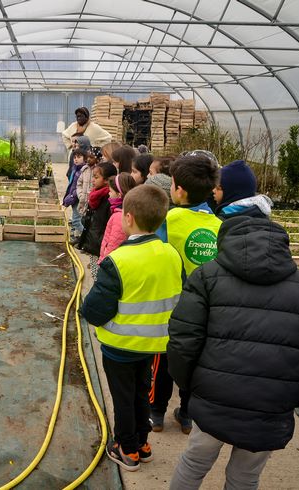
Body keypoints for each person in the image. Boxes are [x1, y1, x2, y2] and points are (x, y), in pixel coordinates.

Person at [168, 215, 299, 489]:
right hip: (270, 407)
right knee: (245, 477)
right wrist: (289, 397)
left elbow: (182, 341)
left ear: (225, 242)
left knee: (193, 464)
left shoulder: (206, 276)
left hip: (214, 397)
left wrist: (191, 386)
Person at [80, 185, 183, 472]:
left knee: (123, 398)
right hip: (154, 345)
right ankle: (142, 443)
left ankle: (126, 448)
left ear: (128, 218)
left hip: (120, 348)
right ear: (161, 220)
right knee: (141, 393)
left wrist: (84, 310)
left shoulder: (118, 261)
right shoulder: (171, 255)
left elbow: (95, 309)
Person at [150, 152, 221, 435]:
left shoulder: (168, 220)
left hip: (172, 310)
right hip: (206, 310)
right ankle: (188, 414)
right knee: (195, 363)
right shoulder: (219, 225)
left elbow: (157, 258)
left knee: (165, 359)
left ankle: (156, 414)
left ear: (178, 189)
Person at [78, 161, 117, 259]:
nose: (92, 180)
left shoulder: (110, 201)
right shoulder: (95, 195)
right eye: (93, 177)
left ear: (107, 180)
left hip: (99, 248)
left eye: (96, 177)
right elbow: (90, 221)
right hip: (91, 244)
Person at [98, 173, 137, 263]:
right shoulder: (129, 210)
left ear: (119, 194)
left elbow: (113, 243)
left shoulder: (119, 217)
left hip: (110, 263)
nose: (108, 194)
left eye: (111, 191)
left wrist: (103, 262)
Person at [63, 149, 87, 242]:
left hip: (78, 199)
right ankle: (78, 237)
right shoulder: (75, 169)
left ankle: (86, 238)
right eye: (75, 157)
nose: (76, 159)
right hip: (74, 198)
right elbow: (71, 186)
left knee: (76, 221)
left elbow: (77, 189)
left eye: (79, 157)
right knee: (76, 219)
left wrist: (69, 198)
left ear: (84, 158)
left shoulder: (83, 171)